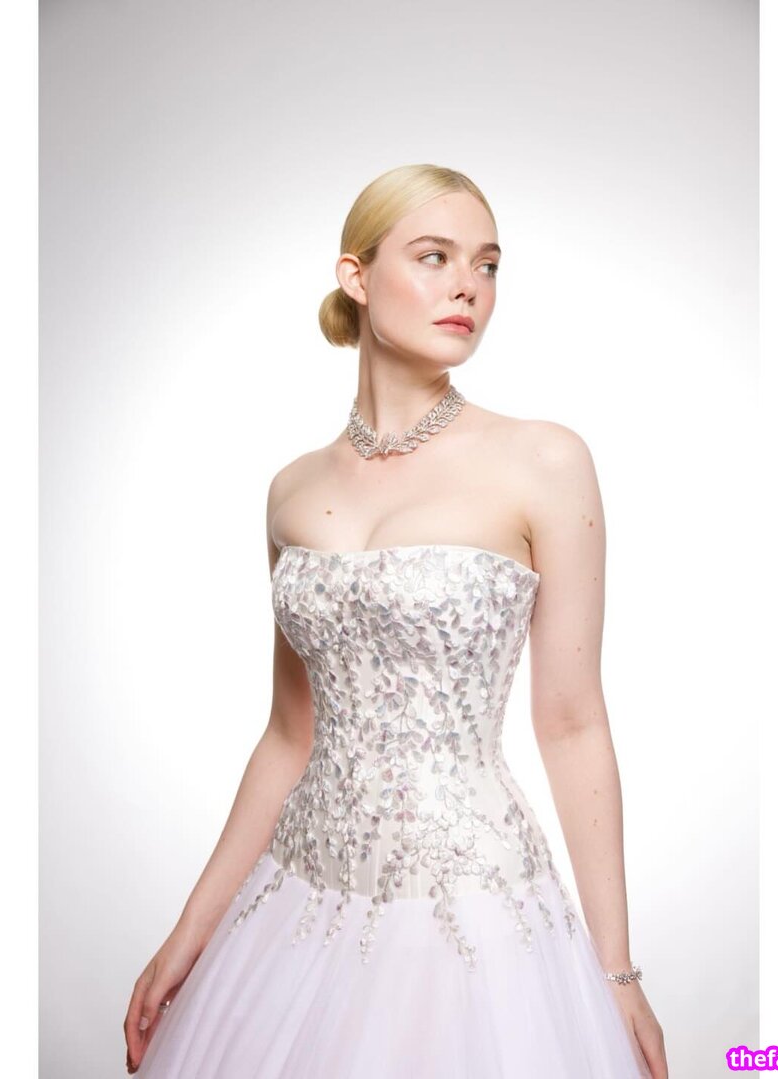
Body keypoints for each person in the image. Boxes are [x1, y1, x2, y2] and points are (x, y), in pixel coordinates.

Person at [123, 163, 668, 1078]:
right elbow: (289, 735)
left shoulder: (544, 460)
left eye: (487, 264)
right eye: (434, 256)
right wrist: (188, 933)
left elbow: (573, 723)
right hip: (301, 897)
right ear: (357, 276)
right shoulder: (292, 490)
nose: (469, 286)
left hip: (473, 908)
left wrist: (616, 972)